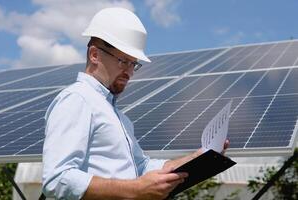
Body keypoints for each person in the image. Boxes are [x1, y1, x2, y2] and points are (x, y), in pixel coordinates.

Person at [42, 7, 228, 200]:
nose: (129, 72)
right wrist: (136, 190)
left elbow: (142, 168)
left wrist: (199, 158)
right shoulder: (77, 99)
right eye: (123, 61)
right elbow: (57, 179)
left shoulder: (118, 117)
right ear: (94, 55)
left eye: (133, 64)